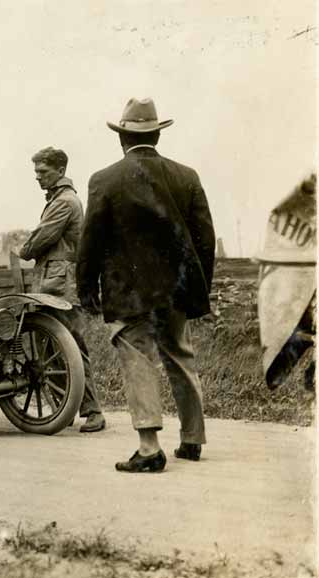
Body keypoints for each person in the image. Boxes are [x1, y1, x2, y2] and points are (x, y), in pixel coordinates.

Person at [77, 98, 215, 473]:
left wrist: (86, 287)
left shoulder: (104, 179)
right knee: (180, 354)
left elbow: (91, 239)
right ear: (157, 134)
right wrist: (199, 288)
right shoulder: (186, 176)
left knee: (138, 359)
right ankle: (192, 439)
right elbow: (205, 238)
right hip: (177, 289)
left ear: (122, 138)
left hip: (128, 291)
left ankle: (150, 447)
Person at [18, 146, 106, 433]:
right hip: (55, 284)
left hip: (61, 286)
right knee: (55, 347)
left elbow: (42, 238)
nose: (37, 177)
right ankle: (64, 408)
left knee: (71, 347)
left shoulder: (64, 202)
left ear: (60, 171)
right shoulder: (61, 199)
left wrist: (25, 249)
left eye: (42, 172)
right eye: (35, 173)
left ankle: (92, 411)